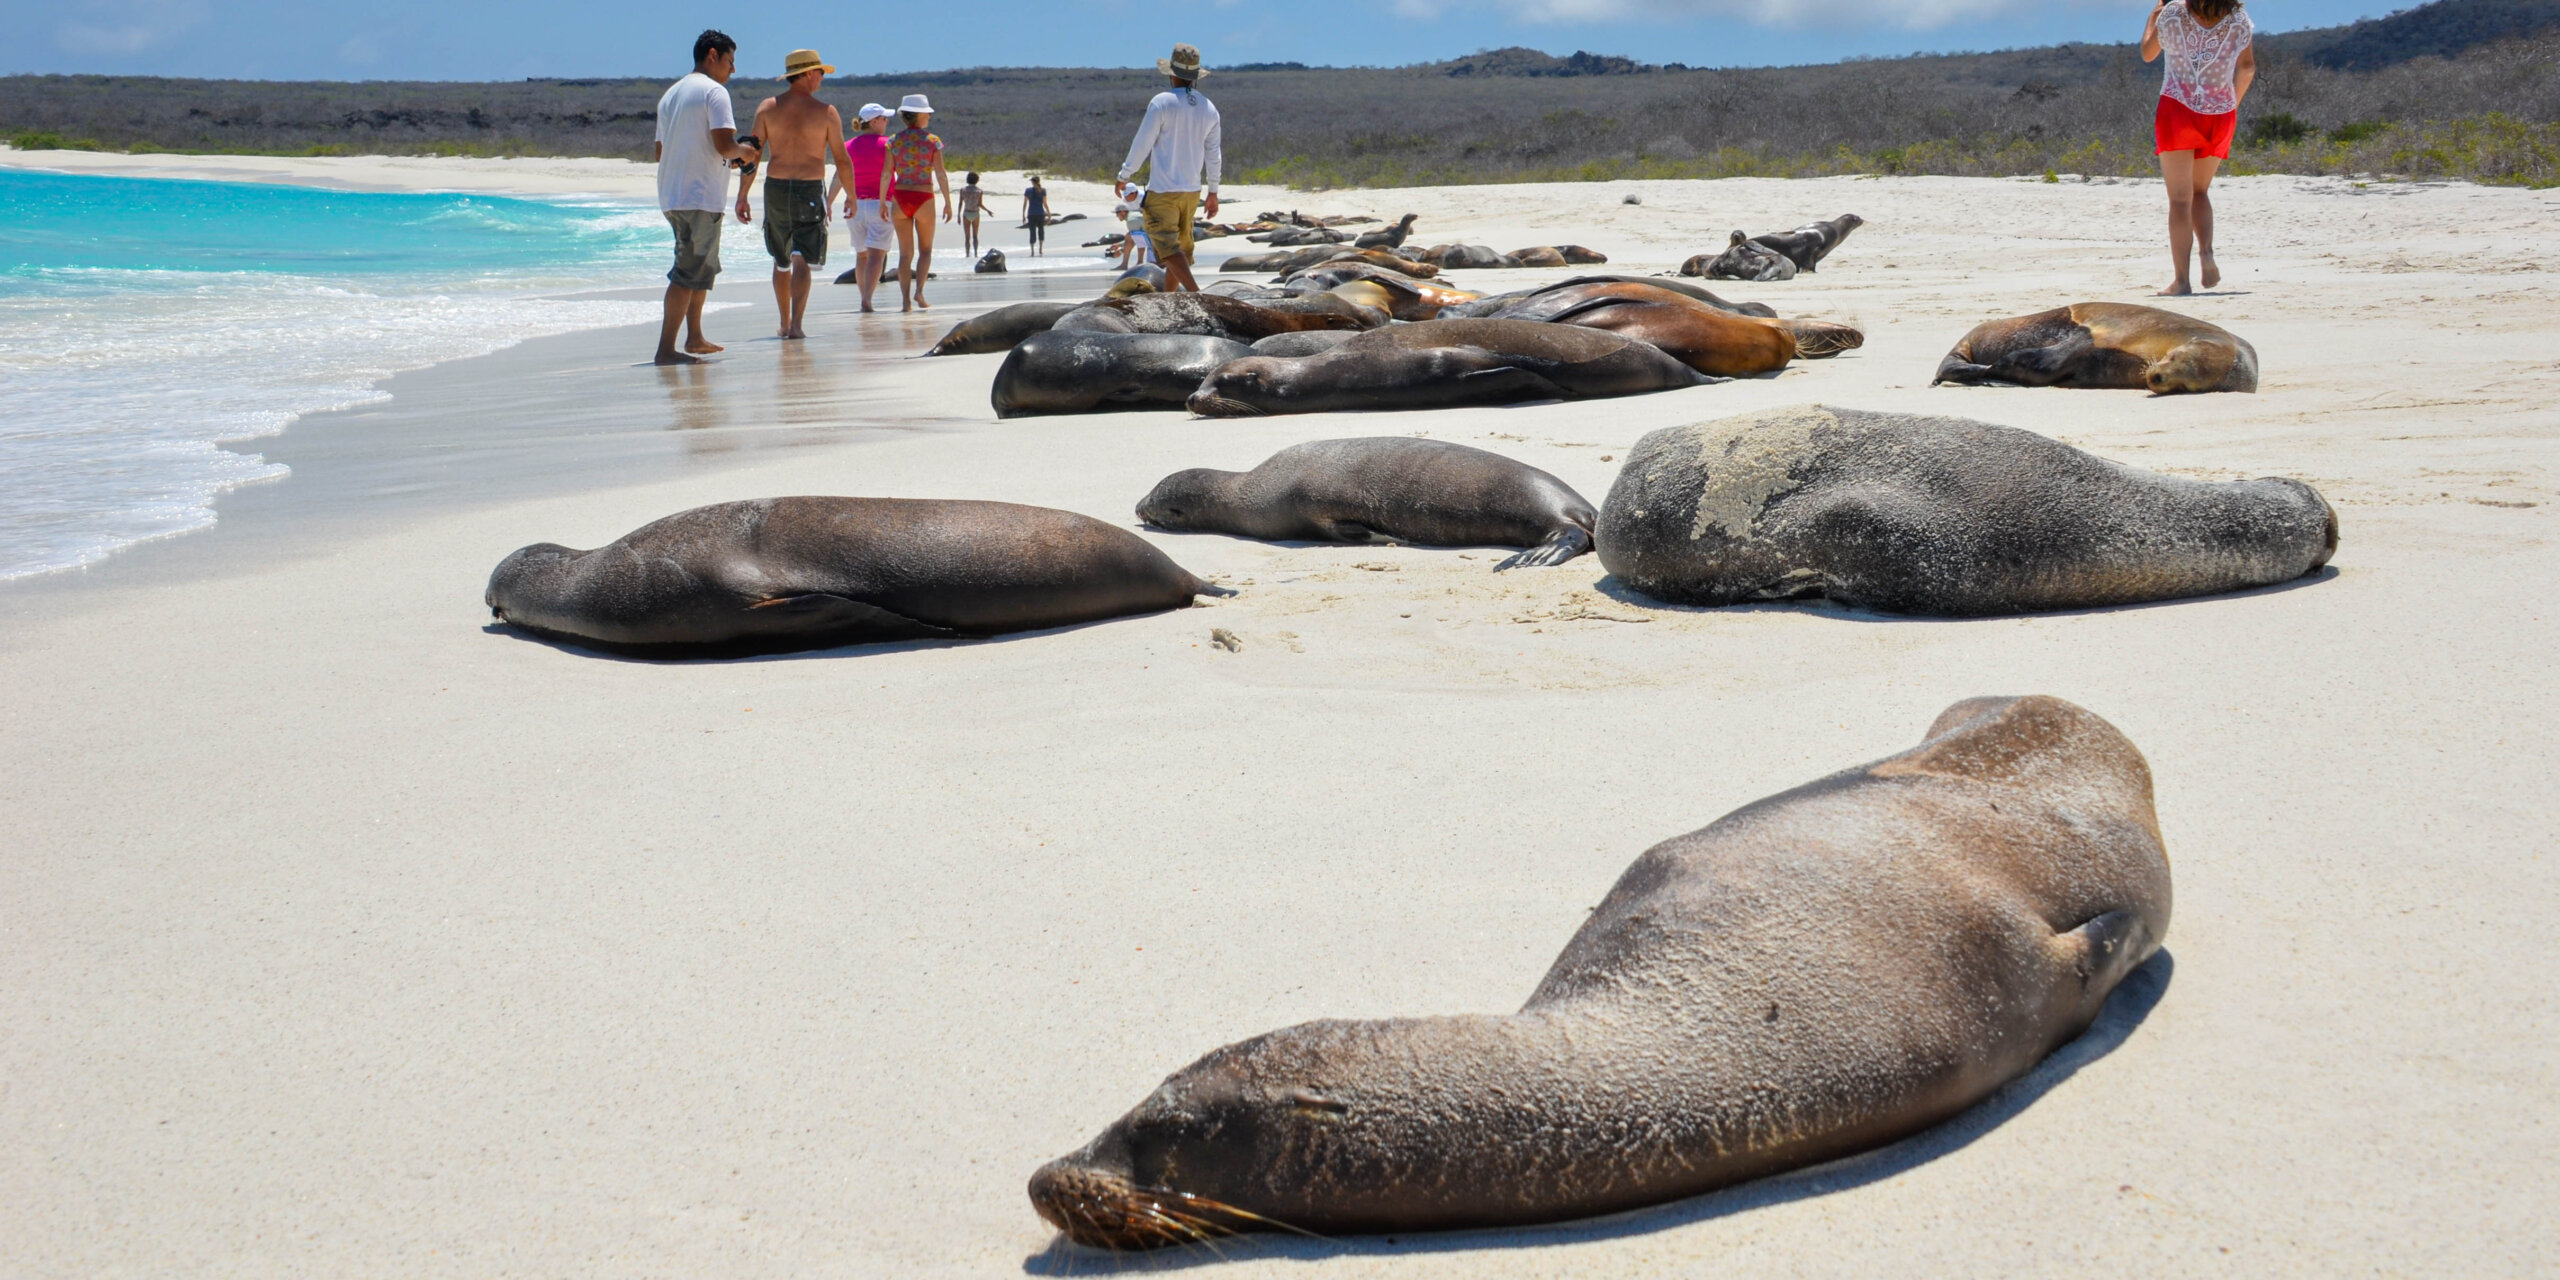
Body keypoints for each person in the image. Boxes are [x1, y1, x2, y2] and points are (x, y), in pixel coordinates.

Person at [651, 30, 758, 364]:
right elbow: (725, 146)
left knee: (699, 269)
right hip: (699, 195)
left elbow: (660, 152)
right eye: (730, 61)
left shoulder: (670, 95)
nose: (733, 70)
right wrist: (749, 153)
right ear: (712, 55)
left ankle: (694, 337)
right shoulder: (715, 92)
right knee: (688, 271)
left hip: (673, 193)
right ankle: (666, 350)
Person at [2143, 0, 2255, 296]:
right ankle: (2207, 253)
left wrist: (2153, 16)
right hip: (2220, 114)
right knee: (2200, 191)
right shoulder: (2239, 19)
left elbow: (2148, 53)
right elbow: (2247, 69)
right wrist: (2231, 104)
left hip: (2177, 108)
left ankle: (2181, 281)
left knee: (2180, 200)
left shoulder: (2173, 13)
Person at [737, 50, 844, 340]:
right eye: (820, 72)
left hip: (777, 188)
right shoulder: (826, 112)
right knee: (802, 258)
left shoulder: (767, 108)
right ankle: (796, 325)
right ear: (809, 74)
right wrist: (853, 197)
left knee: (781, 259)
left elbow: (751, 156)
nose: (822, 78)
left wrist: (742, 195)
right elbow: (842, 159)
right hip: (809, 188)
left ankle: (784, 322)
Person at [1114, 43, 1222, 293]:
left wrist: (1124, 175)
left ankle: (1195, 294)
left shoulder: (1162, 103)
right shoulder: (1209, 108)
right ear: (1195, 76)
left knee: (1168, 249)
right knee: (1181, 248)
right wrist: (1213, 192)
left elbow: (1142, 143)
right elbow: (1214, 154)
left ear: (1172, 73)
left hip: (1163, 190)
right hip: (1192, 191)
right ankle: (1169, 298)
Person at [886, 93, 953, 311]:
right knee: (925, 250)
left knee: (905, 254)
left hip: (900, 196)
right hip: (923, 196)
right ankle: (919, 293)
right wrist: (948, 201)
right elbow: (941, 174)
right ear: (920, 116)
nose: (929, 117)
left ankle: (905, 302)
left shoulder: (894, 141)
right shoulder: (933, 141)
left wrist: (881, 202)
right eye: (927, 114)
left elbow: (887, 175)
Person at [826, 102, 895, 311]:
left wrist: (828, 203)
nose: (886, 122)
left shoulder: (847, 146)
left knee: (862, 255)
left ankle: (863, 298)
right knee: (876, 255)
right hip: (881, 204)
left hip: (854, 207)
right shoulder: (889, 144)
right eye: (883, 119)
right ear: (873, 122)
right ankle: (867, 298)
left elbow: (839, 177)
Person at [1115, 186, 1152, 269]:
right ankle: (1136, 262)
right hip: (1150, 229)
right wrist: (1120, 246)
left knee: (1130, 237)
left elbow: (1139, 241)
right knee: (1130, 237)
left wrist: (1121, 248)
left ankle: (1136, 263)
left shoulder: (1131, 221)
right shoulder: (1133, 216)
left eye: (1117, 213)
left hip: (1153, 231)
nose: (1116, 216)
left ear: (1123, 212)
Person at [957, 171, 987, 256]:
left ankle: (967, 254)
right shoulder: (979, 191)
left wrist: (958, 215)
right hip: (975, 213)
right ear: (977, 180)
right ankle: (976, 254)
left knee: (967, 237)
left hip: (966, 213)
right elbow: (980, 204)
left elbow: (960, 203)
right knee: (975, 236)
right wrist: (988, 211)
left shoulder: (963, 190)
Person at [1022, 175, 1050, 256]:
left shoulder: (1028, 190)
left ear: (1032, 182)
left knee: (1032, 232)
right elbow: (1045, 203)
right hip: (1040, 213)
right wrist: (1049, 213)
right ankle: (1040, 250)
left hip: (1031, 214)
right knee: (1041, 231)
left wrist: (1023, 215)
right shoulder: (1043, 190)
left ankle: (1032, 251)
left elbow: (1025, 203)